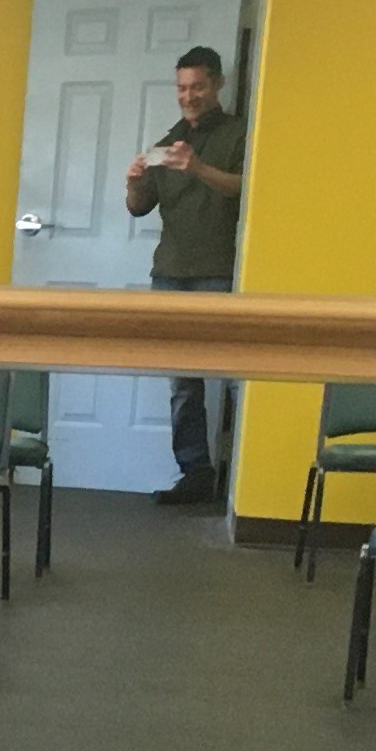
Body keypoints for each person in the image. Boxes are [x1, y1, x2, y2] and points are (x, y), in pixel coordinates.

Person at [123, 46, 246, 508]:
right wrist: (133, 180)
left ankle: (237, 480)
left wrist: (197, 167)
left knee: (235, 373)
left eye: (196, 87)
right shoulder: (168, 139)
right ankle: (195, 473)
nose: (188, 96)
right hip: (170, 272)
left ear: (216, 85)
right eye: (181, 88)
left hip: (219, 270)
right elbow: (138, 207)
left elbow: (247, 187)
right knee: (181, 384)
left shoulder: (239, 133)